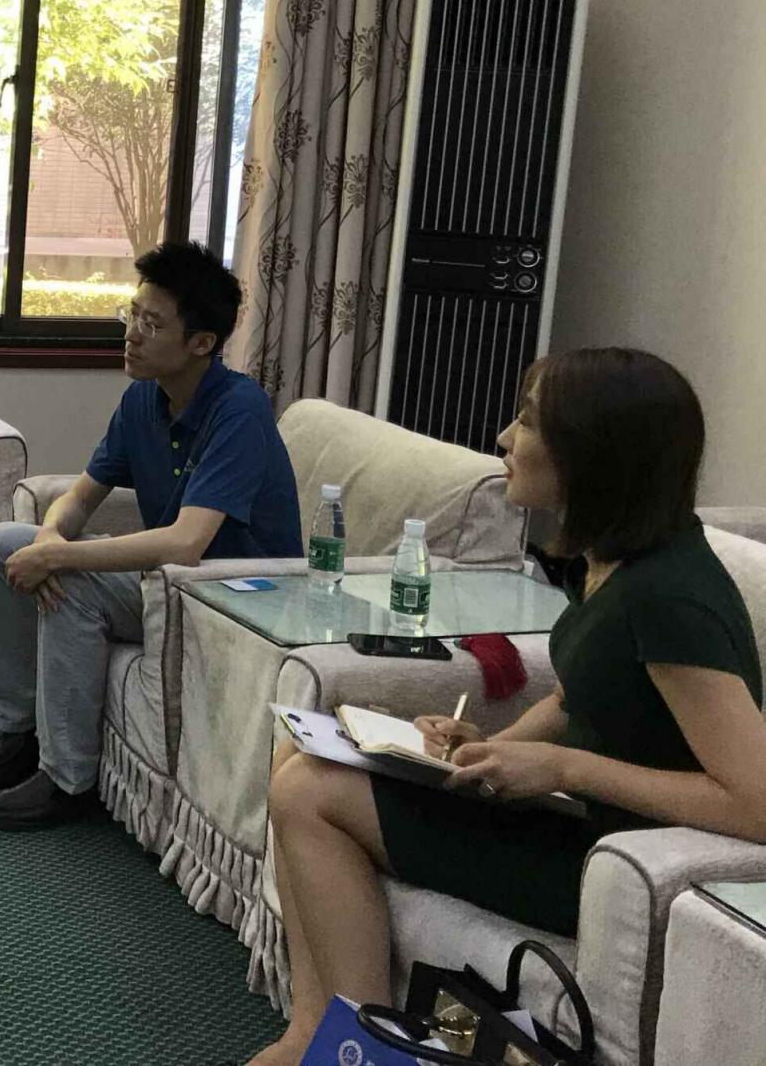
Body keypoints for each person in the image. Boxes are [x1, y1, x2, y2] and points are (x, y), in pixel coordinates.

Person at [245, 348, 766, 1066]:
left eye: (528, 421)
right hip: (577, 824)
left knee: (312, 790)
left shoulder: (670, 597)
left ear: (591, 450)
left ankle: (353, 1047)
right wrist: (488, 744)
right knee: (300, 756)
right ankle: (315, 1032)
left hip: (608, 866)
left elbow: (755, 803)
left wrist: (565, 767)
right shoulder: (612, 560)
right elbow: (576, 692)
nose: (504, 438)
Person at [0, 241, 301, 830]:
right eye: (132, 314)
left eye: (152, 324)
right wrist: (49, 541)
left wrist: (63, 560)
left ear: (202, 343)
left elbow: (186, 542)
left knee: (74, 584)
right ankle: (19, 730)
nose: (132, 334)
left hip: (230, 595)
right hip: (167, 582)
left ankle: (66, 780)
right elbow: (79, 497)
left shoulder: (239, 410)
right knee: (2, 546)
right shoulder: (143, 398)